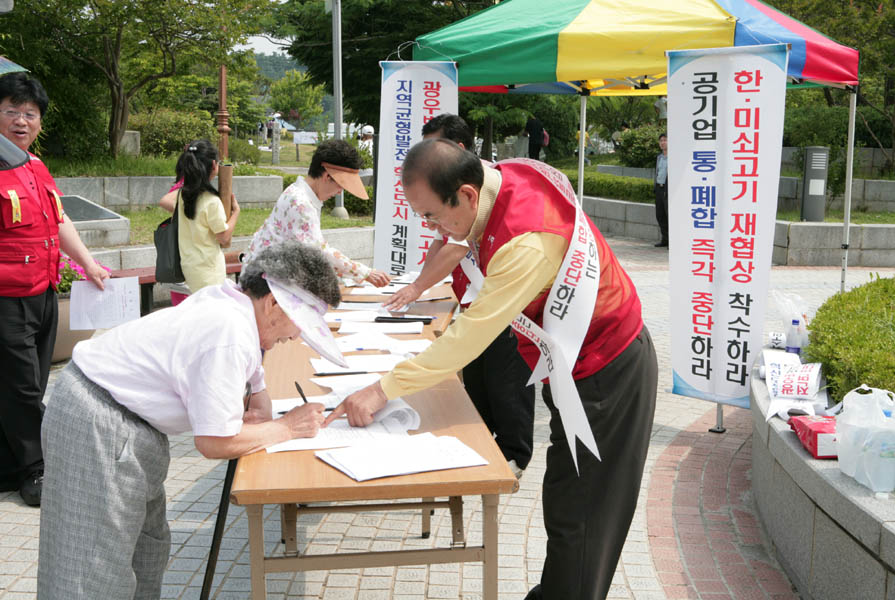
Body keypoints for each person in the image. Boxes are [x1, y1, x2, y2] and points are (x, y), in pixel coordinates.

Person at [328, 139, 658, 600]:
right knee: (569, 499)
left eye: (432, 216)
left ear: (465, 194)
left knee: (582, 512)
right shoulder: (496, 182)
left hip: (609, 369)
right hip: (571, 365)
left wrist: (383, 389)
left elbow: (472, 335)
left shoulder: (527, 239)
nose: (432, 228)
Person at [38, 241, 341, 599]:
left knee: (146, 554)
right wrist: (287, 428)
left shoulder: (232, 303)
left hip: (126, 422)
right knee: (94, 573)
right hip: (100, 420)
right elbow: (215, 442)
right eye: (298, 324)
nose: (295, 336)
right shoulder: (227, 332)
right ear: (273, 302)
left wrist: (259, 395)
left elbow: (252, 367)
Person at [383, 113, 535, 477]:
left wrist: (417, 288)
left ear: (458, 148)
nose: (432, 224)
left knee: (506, 381)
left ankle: (513, 455)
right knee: (480, 379)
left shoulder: (479, 191)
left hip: (506, 305)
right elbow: (442, 240)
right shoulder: (450, 193)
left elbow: (454, 246)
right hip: (474, 299)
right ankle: (485, 443)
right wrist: (418, 283)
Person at [0, 72, 109, 507]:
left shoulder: (35, 167)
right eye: (11, 111)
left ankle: (9, 468)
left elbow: (58, 220)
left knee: (28, 382)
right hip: (6, 298)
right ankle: (38, 470)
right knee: (24, 388)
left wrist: (88, 264)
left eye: (30, 113)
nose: (21, 121)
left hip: (43, 291)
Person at [246, 138, 390, 286]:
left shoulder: (297, 192)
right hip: (264, 284)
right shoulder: (301, 203)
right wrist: (365, 272)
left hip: (266, 275)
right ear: (327, 176)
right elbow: (318, 253)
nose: (340, 192)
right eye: (341, 186)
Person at [159, 140, 240, 293]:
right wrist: (236, 213)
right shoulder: (211, 201)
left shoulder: (182, 195)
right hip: (209, 272)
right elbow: (223, 238)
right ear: (214, 165)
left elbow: (164, 200)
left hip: (190, 269)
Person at [654, 133, 669, 248]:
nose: (662, 143)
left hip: (667, 189)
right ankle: (665, 239)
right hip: (659, 188)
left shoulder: (673, 157)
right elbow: (657, 172)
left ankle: (672, 241)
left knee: (669, 215)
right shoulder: (659, 157)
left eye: (665, 140)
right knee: (660, 215)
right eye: (661, 141)